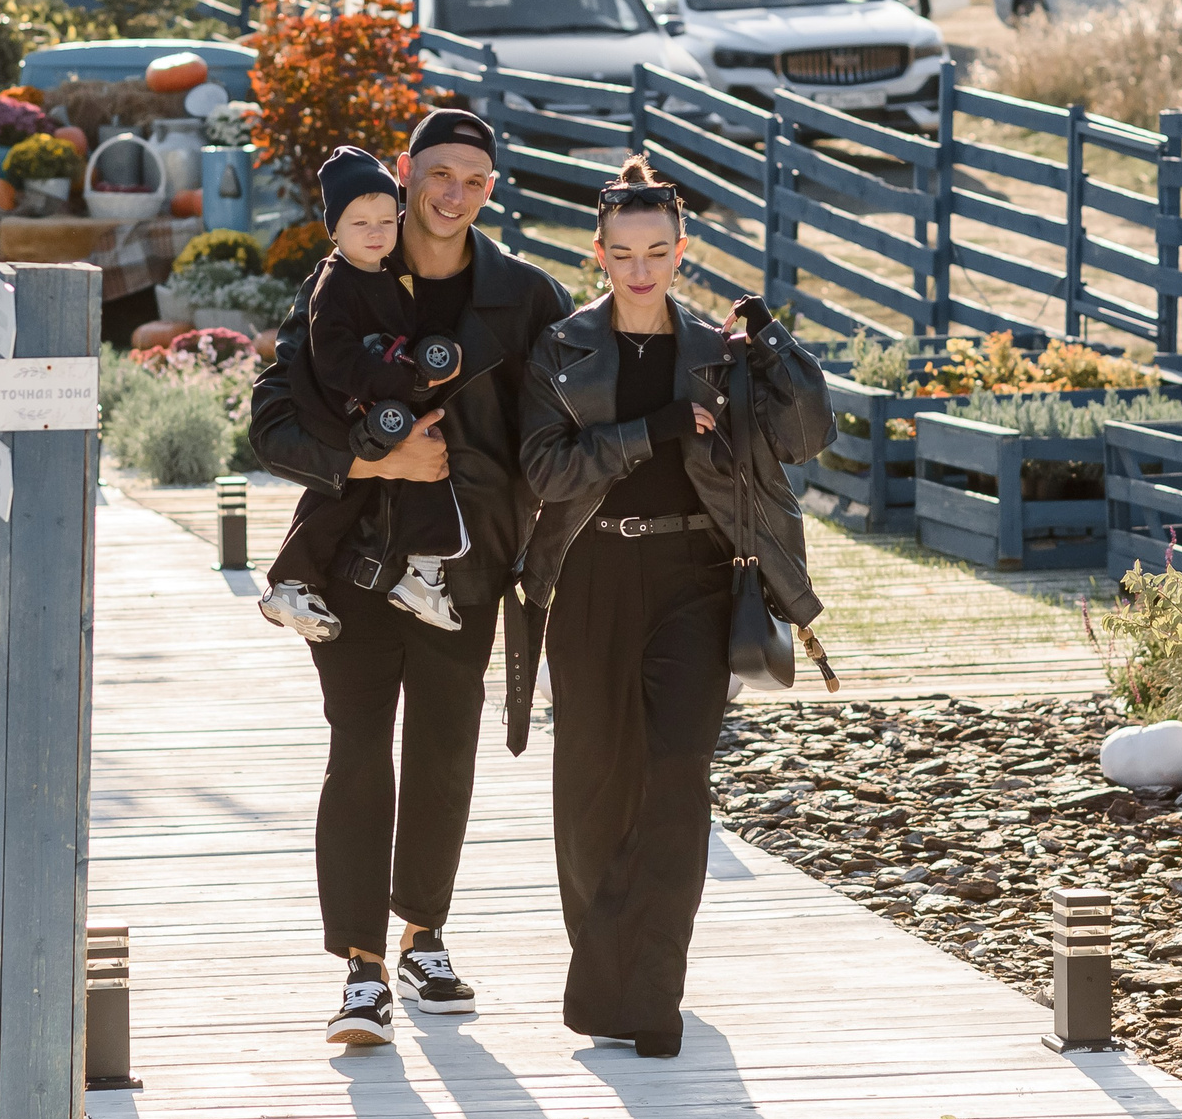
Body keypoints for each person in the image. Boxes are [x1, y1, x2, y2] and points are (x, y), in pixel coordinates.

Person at [249, 106, 571, 1046]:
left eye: (475, 180)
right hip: (354, 570)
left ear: (492, 190)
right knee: (359, 752)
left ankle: (424, 932)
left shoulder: (525, 297)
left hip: (461, 569)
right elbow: (272, 426)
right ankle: (359, 967)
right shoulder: (344, 283)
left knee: (443, 751)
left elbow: (561, 431)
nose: (453, 195)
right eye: (439, 174)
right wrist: (374, 466)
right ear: (406, 171)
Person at [516, 156, 831, 1057]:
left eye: (659, 250)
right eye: (624, 253)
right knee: (592, 789)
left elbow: (809, 434)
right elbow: (544, 469)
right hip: (588, 580)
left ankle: (652, 992)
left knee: (677, 773)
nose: (642, 269)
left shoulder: (720, 353)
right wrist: (645, 431)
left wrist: (769, 343)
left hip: (695, 576)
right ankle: (608, 970)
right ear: (599, 254)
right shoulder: (561, 349)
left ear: (682, 250)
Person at [260, 145, 466, 643]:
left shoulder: (389, 276)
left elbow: (405, 332)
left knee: (422, 463)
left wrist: (434, 357)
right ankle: (291, 582)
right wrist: (403, 382)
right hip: (337, 404)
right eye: (359, 224)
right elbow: (337, 361)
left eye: (385, 221)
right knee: (347, 486)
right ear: (334, 230)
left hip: (374, 400)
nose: (375, 232)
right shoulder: (333, 285)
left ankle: (420, 570)